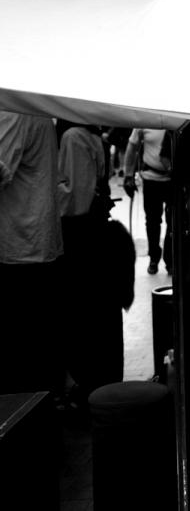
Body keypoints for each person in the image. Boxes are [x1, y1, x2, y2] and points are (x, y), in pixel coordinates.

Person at [58, 121, 130, 403]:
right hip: (92, 234)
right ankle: (103, 382)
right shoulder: (89, 136)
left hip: (82, 237)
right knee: (100, 314)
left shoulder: (74, 136)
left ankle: (94, 385)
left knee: (88, 314)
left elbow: (75, 199)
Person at [0, 112, 65, 395]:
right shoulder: (26, 106)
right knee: (37, 345)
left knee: (22, 354)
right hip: (32, 242)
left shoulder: (12, 110)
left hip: (20, 245)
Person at [123, 128, 174, 275]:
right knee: (152, 221)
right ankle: (154, 257)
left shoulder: (174, 119)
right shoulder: (145, 121)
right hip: (151, 179)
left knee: (173, 221)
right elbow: (132, 146)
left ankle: (170, 258)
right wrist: (128, 175)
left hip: (173, 180)